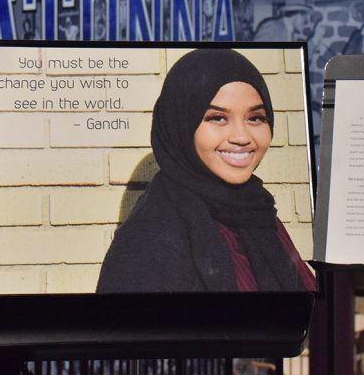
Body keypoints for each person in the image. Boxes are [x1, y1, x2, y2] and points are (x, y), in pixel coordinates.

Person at [96, 48, 315, 292]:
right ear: (181, 124)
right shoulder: (149, 242)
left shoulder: (256, 212)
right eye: (218, 118)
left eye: (255, 118)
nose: (242, 137)